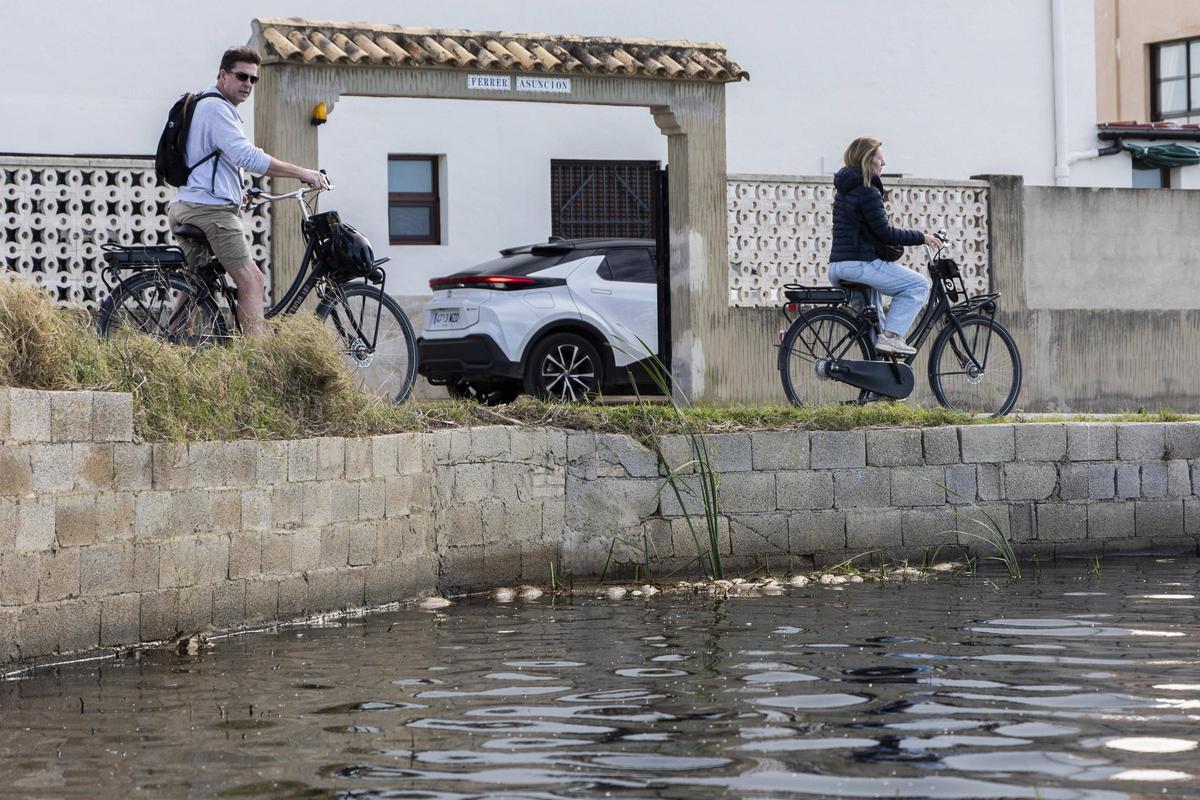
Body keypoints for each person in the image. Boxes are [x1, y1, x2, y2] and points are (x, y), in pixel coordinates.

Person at [167, 46, 327, 336]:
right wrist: (301, 172)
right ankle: (256, 362)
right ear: (223, 75)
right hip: (210, 213)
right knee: (252, 280)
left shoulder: (205, 103)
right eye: (242, 76)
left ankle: (170, 342)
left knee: (195, 283)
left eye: (254, 79)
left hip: (188, 205)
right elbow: (247, 157)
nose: (248, 85)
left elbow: (209, 160)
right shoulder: (217, 108)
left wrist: (235, 191)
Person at [827, 136, 940, 356]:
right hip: (861, 264)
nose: (884, 163)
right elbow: (885, 233)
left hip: (838, 267)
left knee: (873, 326)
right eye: (881, 158)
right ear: (868, 159)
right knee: (918, 285)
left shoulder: (844, 191)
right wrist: (922, 237)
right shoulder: (867, 190)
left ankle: (876, 383)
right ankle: (892, 337)